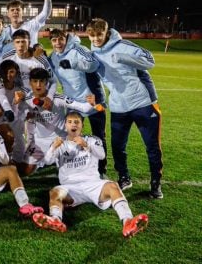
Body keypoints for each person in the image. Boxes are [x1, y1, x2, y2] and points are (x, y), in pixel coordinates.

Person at [32, 112, 149, 238]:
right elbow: (47, 161)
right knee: (55, 192)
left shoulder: (92, 140)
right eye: (70, 122)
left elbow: (102, 155)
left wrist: (86, 145)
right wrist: (53, 147)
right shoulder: (59, 143)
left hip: (93, 184)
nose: (73, 125)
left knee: (113, 186)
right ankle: (55, 220)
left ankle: (128, 221)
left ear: (82, 125)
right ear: (65, 125)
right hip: (71, 188)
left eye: (77, 122)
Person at [86, 18, 163, 199]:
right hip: (119, 106)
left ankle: (156, 182)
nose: (96, 39)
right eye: (92, 35)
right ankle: (124, 177)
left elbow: (150, 61)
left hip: (143, 103)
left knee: (152, 146)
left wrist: (124, 57)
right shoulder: (93, 53)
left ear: (106, 32)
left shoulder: (123, 45)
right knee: (117, 146)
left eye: (99, 35)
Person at [14, 68, 101, 176]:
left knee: (72, 172)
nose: (38, 85)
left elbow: (83, 108)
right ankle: (44, 161)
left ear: (46, 82)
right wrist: (19, 108)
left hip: (60, 140)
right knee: (24, 171)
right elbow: (17, 117)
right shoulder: (27, 99)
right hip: (39, 141)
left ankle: (62, 159)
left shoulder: (57, 99)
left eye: (41, 81)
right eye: (35, 81)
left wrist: (91, 103)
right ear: (30, 82)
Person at [48, 28, 108, 177]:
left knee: (98, 136)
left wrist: (73, 63)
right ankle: (72, 166)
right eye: (54, 40)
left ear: (66, 38)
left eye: (60, 39)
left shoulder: (79, 49)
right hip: (73, 103)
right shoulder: (53, 57)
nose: (58, 43)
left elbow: (94, 63)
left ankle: (101, 169)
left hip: (92, 100)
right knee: (70, 136)